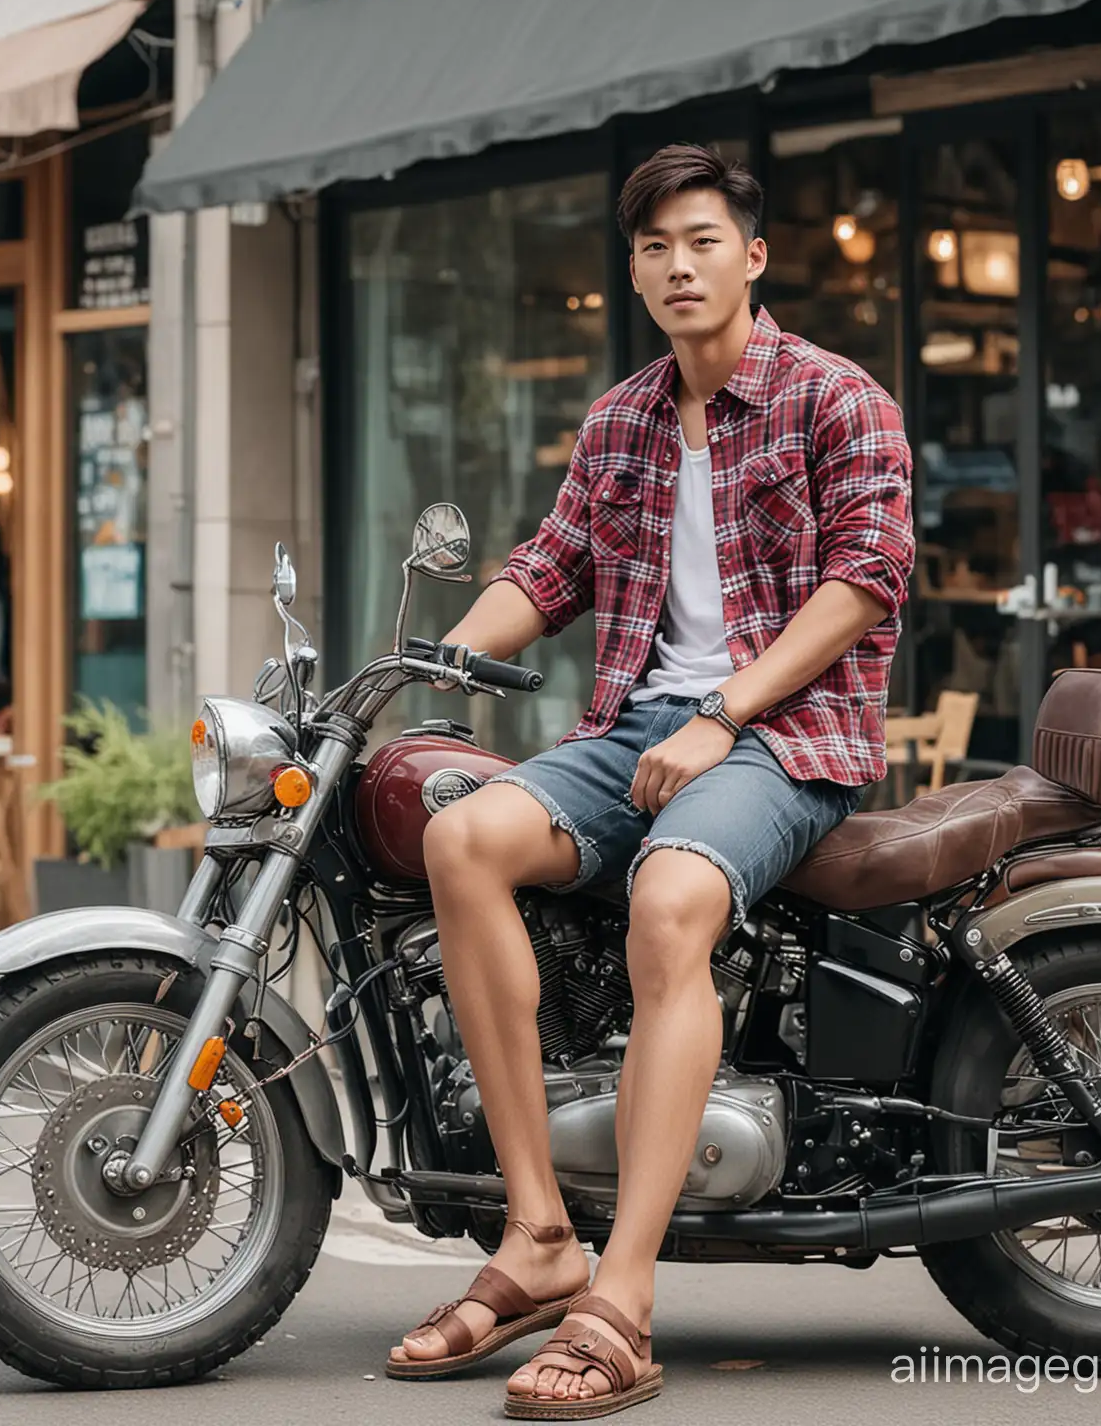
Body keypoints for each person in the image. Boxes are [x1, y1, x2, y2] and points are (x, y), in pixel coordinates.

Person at [386, 143, 914, 1416]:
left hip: (788, 736)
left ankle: (622, 1297)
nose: (679, 266)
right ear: (634, 270)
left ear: (755, 255)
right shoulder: (624, 418)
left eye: (701, 241)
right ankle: (536, 1233)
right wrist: (442, 654)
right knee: (460, 839)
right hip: (636, 730)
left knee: (671, 901)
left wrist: (727, 710)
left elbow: (866, 579)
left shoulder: (835, 399)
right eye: (653, 248)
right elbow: (552, 566)